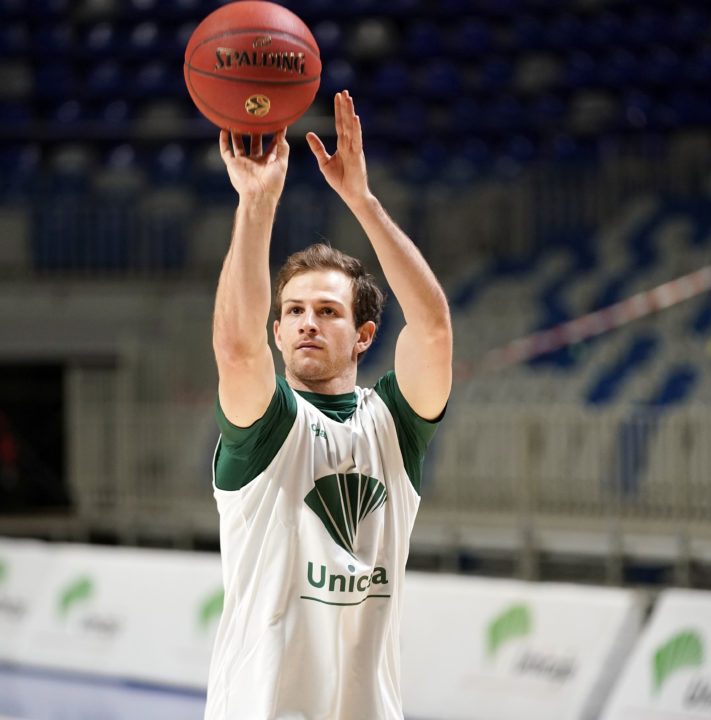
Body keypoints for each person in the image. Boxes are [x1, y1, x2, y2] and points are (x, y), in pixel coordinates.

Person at [205, 90, 453, 720]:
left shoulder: (394, 425)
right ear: (279, 330)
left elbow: (432, 331)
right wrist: (256, 202)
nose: (307, 323)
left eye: (327, 311)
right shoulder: (269, 426)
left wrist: (362, 203)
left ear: (364, 335)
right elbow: (236, 349)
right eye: (293, 312)